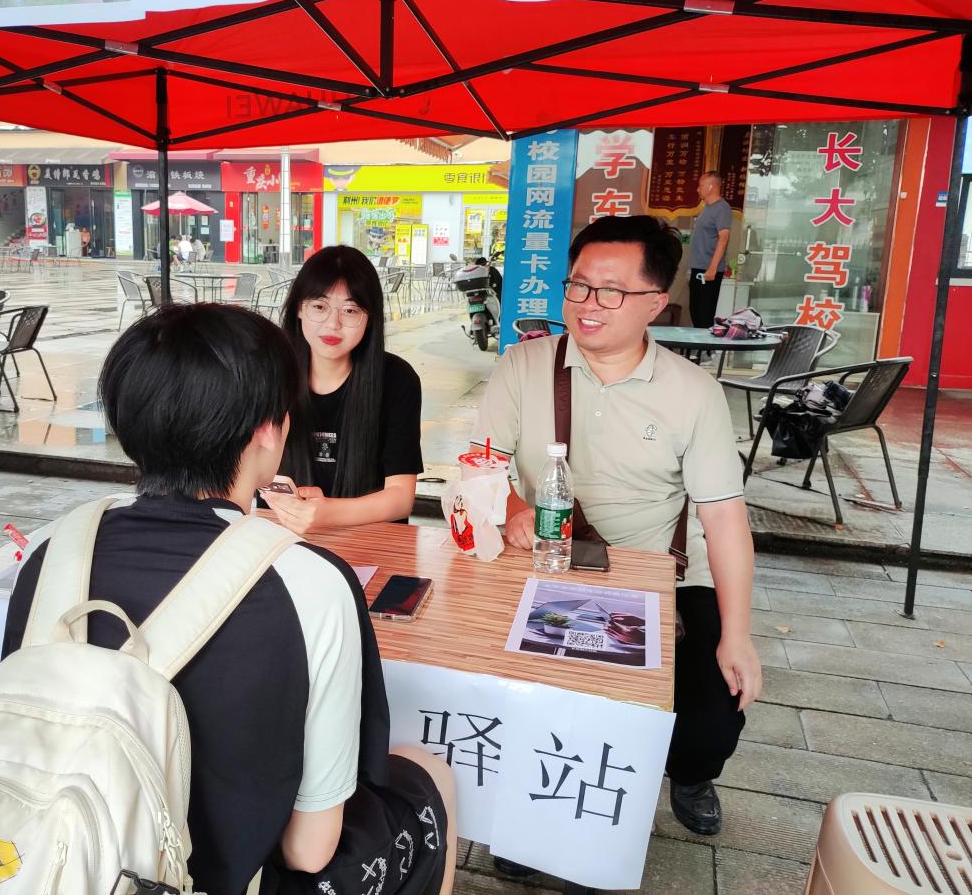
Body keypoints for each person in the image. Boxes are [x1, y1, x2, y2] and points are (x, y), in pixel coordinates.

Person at [1, 303, 456, 895]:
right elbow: (309, 849)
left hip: (51, 862)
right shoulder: (311, 581)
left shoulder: (52, 555)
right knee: (430, 778)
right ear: (269, 430)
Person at [472, 214, 761, 839]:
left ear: (655, 302)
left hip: (664, 577)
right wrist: (516, 509)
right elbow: (482, 468)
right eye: (578, 285)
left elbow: (723, 518)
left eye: (611, 291)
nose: (587, 304)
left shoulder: (694, 392)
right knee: (530, 695)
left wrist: (737, 635)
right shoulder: (523, 365)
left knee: (711, 718)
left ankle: (691, 774)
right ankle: (536, 801)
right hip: (550, 563)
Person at [260, 246, 424, 533]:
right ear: (299, 308)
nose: (332, 324)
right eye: (319, 307)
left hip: (372, 540)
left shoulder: (397, 380)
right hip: (281, 536)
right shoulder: (269, 375)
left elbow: (400, 498)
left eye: (350, 310)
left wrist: (328, 514)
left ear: (370, 318)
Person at [688, 171, 732, 329]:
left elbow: (723, 237)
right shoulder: (706, 208)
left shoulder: (722, 208)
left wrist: (713, 267)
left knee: (704, 315)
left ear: (711, 186)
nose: (698, 189)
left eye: (700, 185)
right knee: (695, 312)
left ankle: (704, 345)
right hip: (698, 268)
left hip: (708, 272)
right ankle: (699, 344)